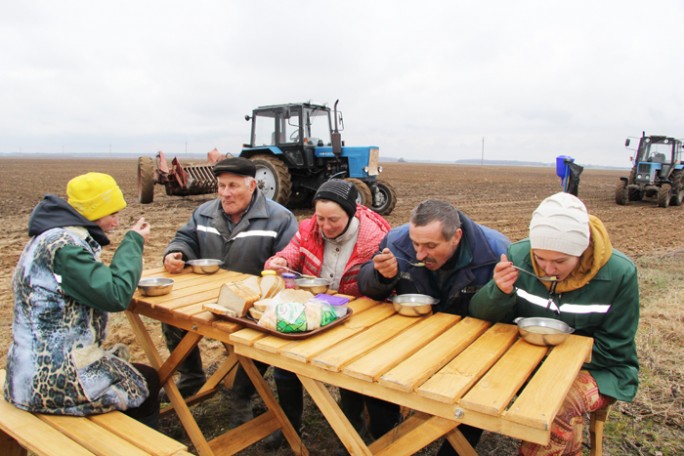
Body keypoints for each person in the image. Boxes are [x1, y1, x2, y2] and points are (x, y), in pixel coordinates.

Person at [469, 192, 639, 455]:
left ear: (582, 251)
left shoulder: (619, 274)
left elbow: (615, 349)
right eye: (540, 258)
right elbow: (482, 316)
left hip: (601, 371)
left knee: (557, 403)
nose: (548, 270)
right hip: (529, 357)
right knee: (466, 375)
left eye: (560, 261)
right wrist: (498, 291)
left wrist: (551, 364)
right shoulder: (518, 254)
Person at [4, 172, 160, 428]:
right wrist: (133, 242)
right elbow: (115, 294)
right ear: (94, 211)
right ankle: (149, 447)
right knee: (147, 380)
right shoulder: (65, 248)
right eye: (112, 214)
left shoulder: (50, 237)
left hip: (25, 370)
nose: (117, 222)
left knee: (135, 372)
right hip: (51, 382)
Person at [357, 199, 510, 453]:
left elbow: (505, 318)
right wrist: (380, 275)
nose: (419, 254)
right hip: (412, 338)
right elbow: (368, 286)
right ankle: (390, 444)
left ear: (456, 236)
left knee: (474, 395)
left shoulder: (494, 252)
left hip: (470, 350)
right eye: (415, 244)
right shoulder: (396, 242)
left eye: (430, 246)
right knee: (374, 373)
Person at [161, 157, 298, 424]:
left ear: (252, 185)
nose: (225, 193)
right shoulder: (204, 212)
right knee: (172, 320)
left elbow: (289, 258)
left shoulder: (279, 218)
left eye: (233, 186)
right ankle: (191, 378)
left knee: (254, 340)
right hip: (207, 298)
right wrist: (176, 253)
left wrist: (279, 270)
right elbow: (185, 238)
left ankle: (242, 396)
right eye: (221, 185)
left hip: (253, 306)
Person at [265, 179, 393, 447]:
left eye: (332, 220)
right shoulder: (308, 229)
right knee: (285, 362)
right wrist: (280, 262)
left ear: (352, 212)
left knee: (350, 373)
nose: (324, 226)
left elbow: (382, 287)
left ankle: (351, 430)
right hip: (317, 313)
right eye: (319, 218)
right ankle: (290, 426)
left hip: (357, 319)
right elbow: (290, 253)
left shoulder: (374, 239)